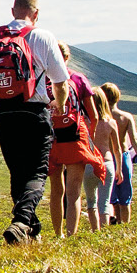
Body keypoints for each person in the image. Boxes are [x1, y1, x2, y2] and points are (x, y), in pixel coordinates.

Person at [0, 0, 71, 245]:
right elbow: (61, 80)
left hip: (2, 113)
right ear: (36, 14)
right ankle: (22, 221)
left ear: (12, 10)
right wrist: (60, 104)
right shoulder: (43, 36)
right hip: (34, 111)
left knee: (17, 173)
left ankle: (29, 231)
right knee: (36, 173)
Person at [45, 43, 98, 238]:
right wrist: (88, 140)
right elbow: (93, 115)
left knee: (56, 190)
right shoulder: (78, 78)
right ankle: (70, 235)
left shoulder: (41, 78)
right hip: (74, 138)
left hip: (50, 140)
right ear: (67, 58)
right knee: (74, 191)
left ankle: (58, 233)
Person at [101, 82, 137, 225]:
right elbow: (135, 139)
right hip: (123, 156)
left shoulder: (100, 118)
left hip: (107, 157)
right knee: (125, 196)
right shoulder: (125, 117)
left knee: (110, 194)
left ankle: (114, 222)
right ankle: (124, 224)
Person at [85, 87, 122, 230]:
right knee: (104, 201)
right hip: (107, 162)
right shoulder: (111, 123)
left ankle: (95, 230)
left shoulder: (85, 122)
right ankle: (104, 230)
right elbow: (117, 149)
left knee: (91, 201)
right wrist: (119, 169)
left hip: (90, 163)